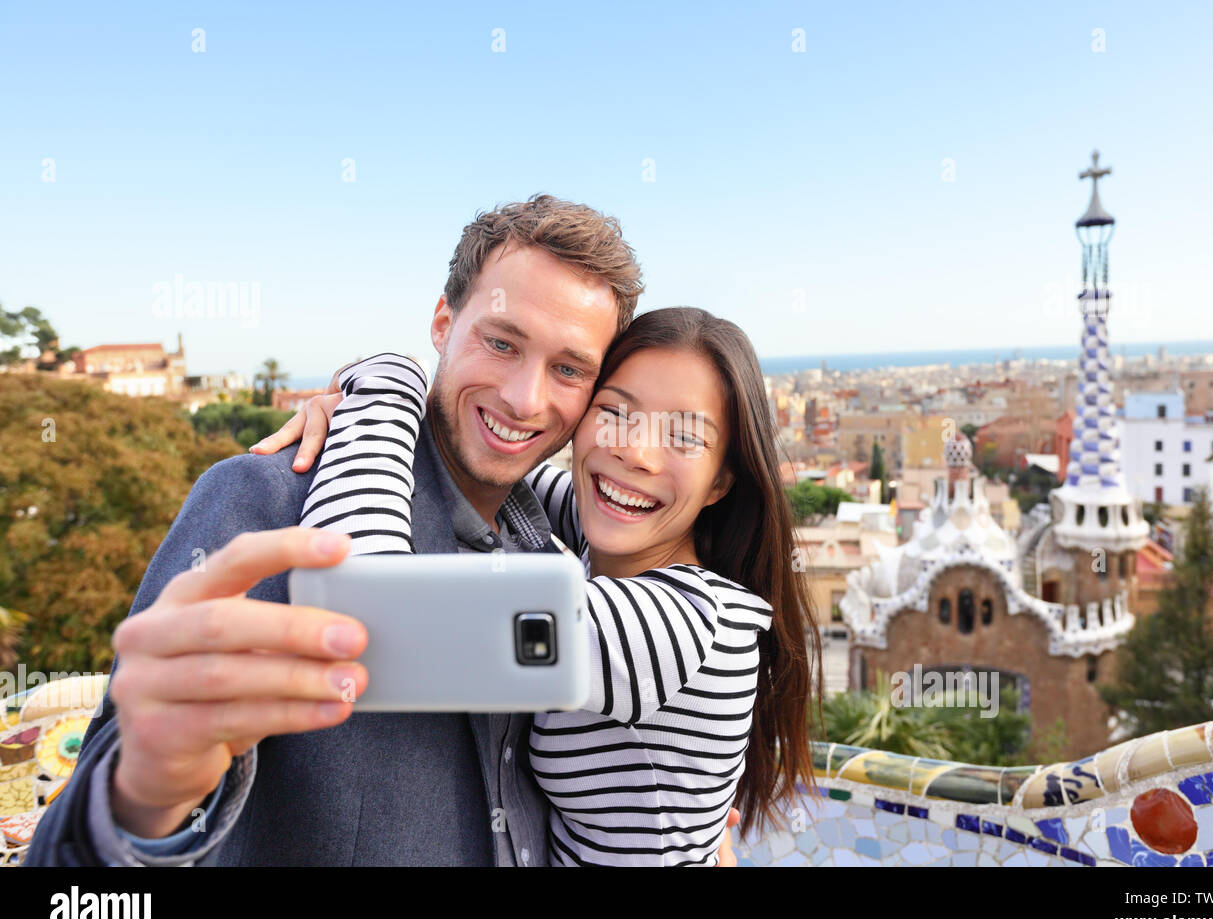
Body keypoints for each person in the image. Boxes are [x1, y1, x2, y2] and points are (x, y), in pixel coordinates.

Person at [27, 194, 737, 866]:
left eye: (570, 369)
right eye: (501, 342)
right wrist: (142, 796)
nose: (525, 399)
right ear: (441, 323)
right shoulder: (268, 503)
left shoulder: (550, 541)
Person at [273, 308, 821, 864]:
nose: (635, 452)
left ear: (720, 482)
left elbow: (370, 621)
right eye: (614, 413)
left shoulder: (677, 624)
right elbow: (483, 454)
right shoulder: (603, 540)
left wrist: (388, 385)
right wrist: (353, 406)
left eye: (683, 437)